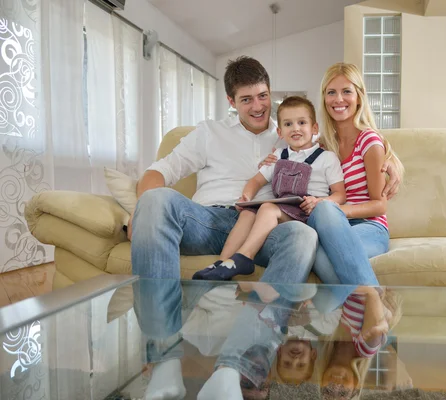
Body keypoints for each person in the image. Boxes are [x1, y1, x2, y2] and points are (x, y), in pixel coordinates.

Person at [129, 55, 401, 400]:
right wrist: (139, 213)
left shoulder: (292, 130)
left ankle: (235, 367)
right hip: (209, 218)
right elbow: (159, 172)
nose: (258, 107)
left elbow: (347, 157)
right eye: (246, 99)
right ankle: (165, 360)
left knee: (305, 235)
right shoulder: (208, 133)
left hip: (269, 224)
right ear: (231, 102)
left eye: (262, 96)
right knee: (154, 200)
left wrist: (393, 163)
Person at [193, 96, 345, 282]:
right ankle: (222, 264)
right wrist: (246, 197)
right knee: (248, 213)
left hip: (308, 215)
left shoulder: (326, 158)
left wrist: (319, 202)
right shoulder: (278, 156)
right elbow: (255, 181)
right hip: (283, 213)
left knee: (266, 208)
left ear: (314, 128)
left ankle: (244, 257)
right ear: (280, 132)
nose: (295, 128)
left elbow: (340, 194)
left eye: (302, 122)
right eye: (288, 124)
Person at [308, 62, 405, 311]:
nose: (338, 99)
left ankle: (370, 308)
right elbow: (289, 142)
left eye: (346, 91)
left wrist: (337, 211)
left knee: (326, 211)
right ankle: (370, 318)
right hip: (335, 229)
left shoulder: (369, 141)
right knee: (318, 253)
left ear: (359, 97)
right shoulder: (322, 146)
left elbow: (379, 204)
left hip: (370, 228)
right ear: (324, 98)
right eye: (331, 92)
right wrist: (272, 159)